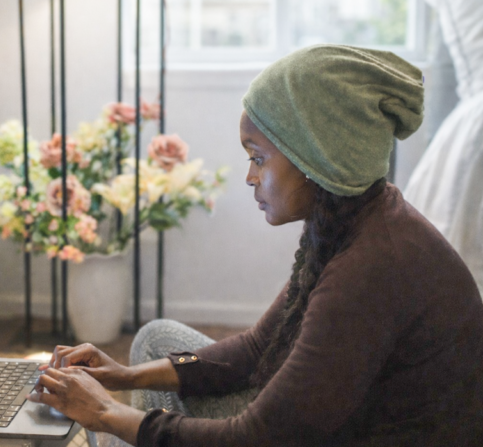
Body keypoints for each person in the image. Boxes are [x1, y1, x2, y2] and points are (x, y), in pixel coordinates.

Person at [27, 45, 483, 446]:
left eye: (258, 158)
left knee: (117, 415)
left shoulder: (373, 266)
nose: (250, 176)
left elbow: (260, 437)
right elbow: (256, 348)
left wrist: (108, 414)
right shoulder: (351, 218)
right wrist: (124, 377)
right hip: (329, 421)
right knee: (156, 340)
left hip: (320, 435)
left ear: (315, 160)